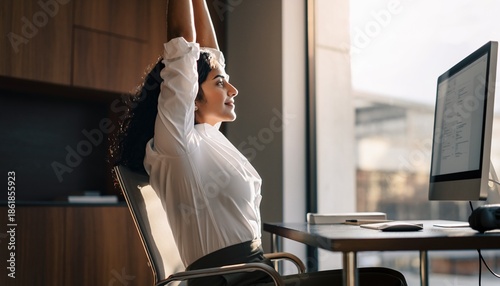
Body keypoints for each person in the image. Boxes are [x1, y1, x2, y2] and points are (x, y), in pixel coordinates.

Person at [112, 0, 407, 285]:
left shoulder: (206, 138)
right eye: (219, 82)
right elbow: (182, 50)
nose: (233, 89)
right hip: (235, 282)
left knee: (382, 278)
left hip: (259, 274)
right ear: (191, 97)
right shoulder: (178, 145)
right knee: (383, 281)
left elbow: (211, 53)